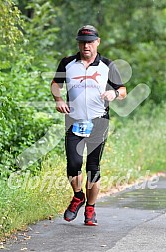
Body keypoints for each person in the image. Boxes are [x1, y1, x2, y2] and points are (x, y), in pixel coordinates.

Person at [51, 25, 127, 226]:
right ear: (78, 43)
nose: (86, 45)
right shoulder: (67, 63)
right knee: (73, 164)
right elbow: (55, 84)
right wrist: (58, 99)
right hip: (74, 121)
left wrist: (114, 93)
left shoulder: (107, 66)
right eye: (83, 42)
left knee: (93, 167)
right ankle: (78, 196)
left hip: (99, 121)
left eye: (90, 42)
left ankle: (90, 209)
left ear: (97, 42)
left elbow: (123, 90)